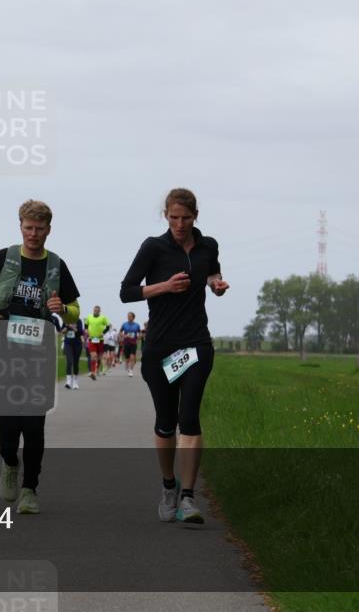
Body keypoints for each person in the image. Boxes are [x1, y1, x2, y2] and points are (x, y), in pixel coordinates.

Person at [120, 188, 229, 524]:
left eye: (186, 218)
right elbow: (126, 291)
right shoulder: (153, 247)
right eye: (174, 217)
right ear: (165, 215)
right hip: (160, 347)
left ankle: (188, 498)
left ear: (196, 216)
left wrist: (215, 283)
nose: (180, 224)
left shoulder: (208, 245)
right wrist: (164, 286)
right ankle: (169, 485)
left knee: (190, 417)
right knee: (166, 423)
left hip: (196, 342)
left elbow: (212, 270)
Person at [0, 200, 80, 514]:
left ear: (49, 229)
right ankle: (9, 462)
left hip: (39, 354)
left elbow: (74, 311)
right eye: (28, 227)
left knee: (34, 425)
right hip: (3, 350)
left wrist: (64, 310)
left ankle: (30, 489)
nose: (34, 233)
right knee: (7, 424)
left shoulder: (57, 265)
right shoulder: (3, 258)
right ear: (20, 226)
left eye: (40, 228)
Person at [84, 306, 109, 380]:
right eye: (95, 310)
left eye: (97, 311)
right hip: (92, 339)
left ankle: (97, 369)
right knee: (93, 356)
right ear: (93, 310)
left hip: (100, 339)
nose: (96, 311)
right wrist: (86, 330)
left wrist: (103, 333)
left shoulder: (103, 318)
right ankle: (93, 372)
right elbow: (86, 325)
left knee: (99, 357)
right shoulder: (89, 317)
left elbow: (107, 326)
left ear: (99, 311)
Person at [61, 318, 84, 389]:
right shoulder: (65, 320)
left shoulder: (78, 321)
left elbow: (80, 333)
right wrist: (66, 328)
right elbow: (62, 331)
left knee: (75, 362)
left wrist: (72, 327)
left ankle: (75, 382)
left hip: (77, 344)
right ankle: (68, 382)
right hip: (68, 343)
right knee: (69, 361)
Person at [120, 312, 143, 376]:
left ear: (133, 317)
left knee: (132, 357)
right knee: (127, 358)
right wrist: (124, 335)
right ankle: (127, 364)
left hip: (133, 343)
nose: (128, 317)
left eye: (130, 316)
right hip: (126, 343)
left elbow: (140, 333)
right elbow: (120, 332)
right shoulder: (124, 324)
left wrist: (139, 336)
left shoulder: (137, 325)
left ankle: (131, 370)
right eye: (128, 316)